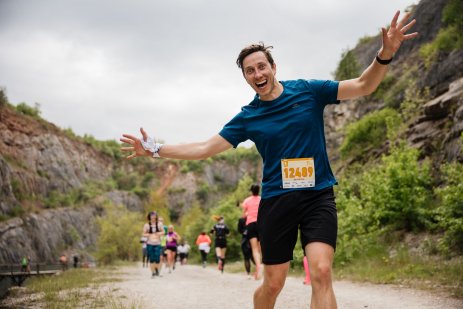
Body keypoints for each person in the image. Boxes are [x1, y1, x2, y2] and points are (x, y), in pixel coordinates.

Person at [120, 10, 417, 308]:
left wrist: (385, 53)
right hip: (277, 202)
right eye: (250, 71)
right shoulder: (249, 117)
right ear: (246, 78)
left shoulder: (309, 91)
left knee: (322, 272)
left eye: (262, 66)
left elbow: (364, 85)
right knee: (273, 284)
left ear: (274, 67)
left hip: (317, 196)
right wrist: (156, 149)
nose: (258, 74)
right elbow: (203, 148)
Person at [241, 184, 263, 280]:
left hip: (251, 224)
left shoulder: (247, 201)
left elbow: (244, 215)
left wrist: (247, 214)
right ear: (259, 191)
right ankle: (260, 265)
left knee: (254, 249)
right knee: (260, 248)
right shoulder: (262, 199)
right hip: (261, 223)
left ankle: (258, 266)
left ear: (251, 191)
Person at [143, 211, 165, 278]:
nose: (153, 216)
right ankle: (153, 273)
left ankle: (157, 270)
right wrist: (149, 235)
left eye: (154, 215)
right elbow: (143, 233)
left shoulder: (159, 224)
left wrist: (159, 234)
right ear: (149, 216)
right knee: (151, 259)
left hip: (158, 243)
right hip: (150, 243)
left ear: (156, 216)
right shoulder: (146, 225)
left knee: (158, 258)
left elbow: (163, 232)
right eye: (151, 215)